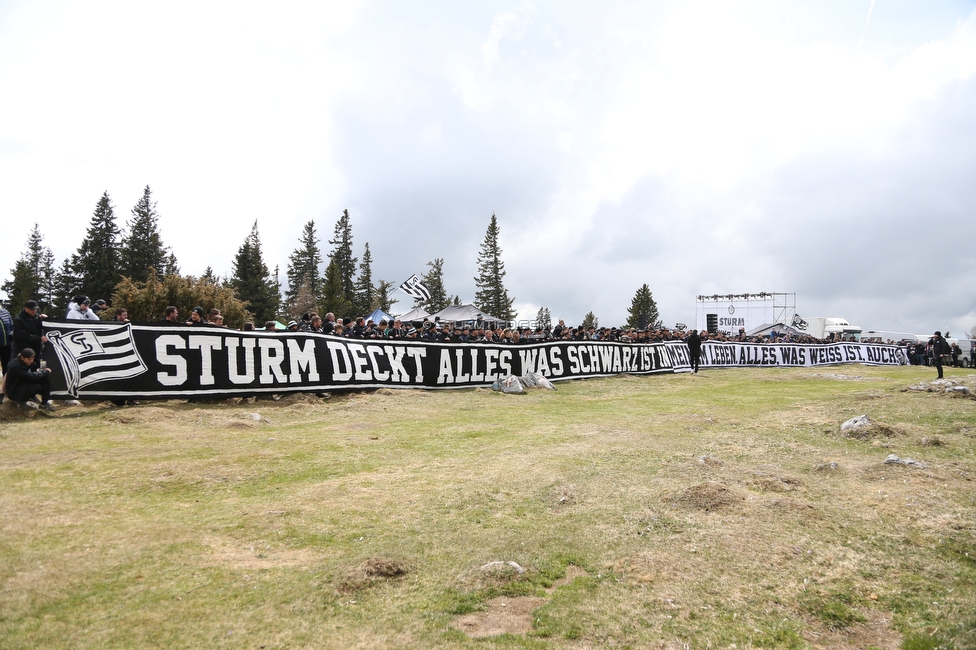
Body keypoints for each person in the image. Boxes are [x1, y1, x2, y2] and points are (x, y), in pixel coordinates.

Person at [2, 347, 54, 411]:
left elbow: (33, 375)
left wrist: (43, 374)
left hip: (24, 384)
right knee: (36, 386)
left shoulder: (30, 364)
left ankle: (44, 403)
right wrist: (46, 371)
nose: (31, 361)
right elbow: (31, 376)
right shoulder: (15, 367)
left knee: (44, 378)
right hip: (15, 391)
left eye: (32, 359)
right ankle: (21, 401)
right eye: (29, 359)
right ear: (22, 358)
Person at [11, 300, 47, 366]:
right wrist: (39, 339)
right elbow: (23, 336)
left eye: (36, 309)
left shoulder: (37, 317)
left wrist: (45, 320)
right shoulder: (18, 319)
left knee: (34, 368)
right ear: (26, 309)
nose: (34, 311)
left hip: (35, 349)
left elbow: (41, 327)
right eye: (32, 309)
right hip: (22, 349)